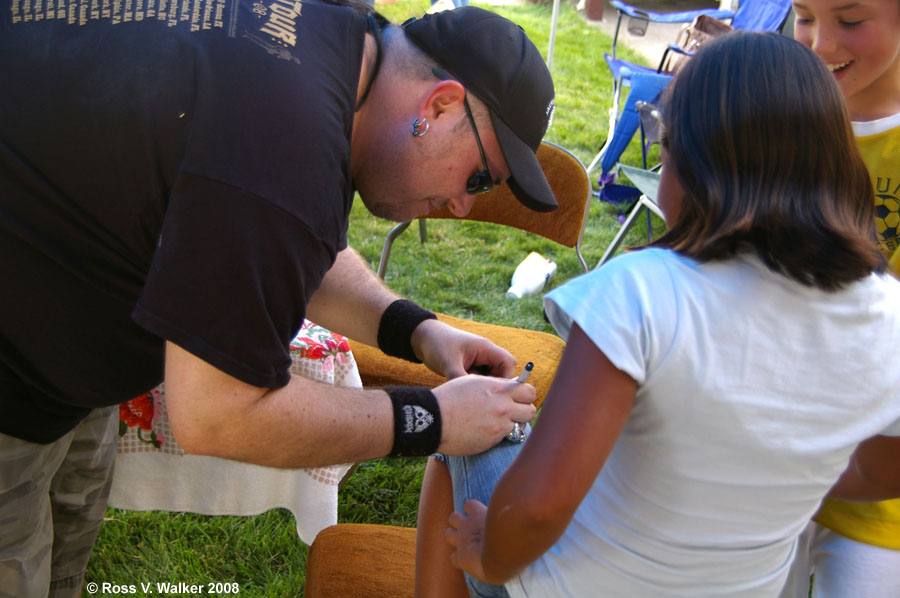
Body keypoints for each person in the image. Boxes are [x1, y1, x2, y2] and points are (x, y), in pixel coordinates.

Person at [0, 4, 554, 596]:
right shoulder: (287, 136)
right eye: (478, 178)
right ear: (439, 105)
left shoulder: (336, 52)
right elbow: (219, 410)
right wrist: (433, 420)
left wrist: (417, 331)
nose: (465, 205)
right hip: (16, 366)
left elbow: (287, 235)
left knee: (63, 559)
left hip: (67, 339)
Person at [414, 32, 900, 598]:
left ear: (693, 166)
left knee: (467, 424)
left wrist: (490, 556)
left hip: (571, 588)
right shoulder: (887, 315)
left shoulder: (638, 292)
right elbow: (885, 471)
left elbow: (539, 508)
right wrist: (774, 467)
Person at [779, 0, 900, 595]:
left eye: (850, 20)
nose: (821, 44)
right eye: (804, 16)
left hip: (882, 502)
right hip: (758, 468)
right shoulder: (778, 117)